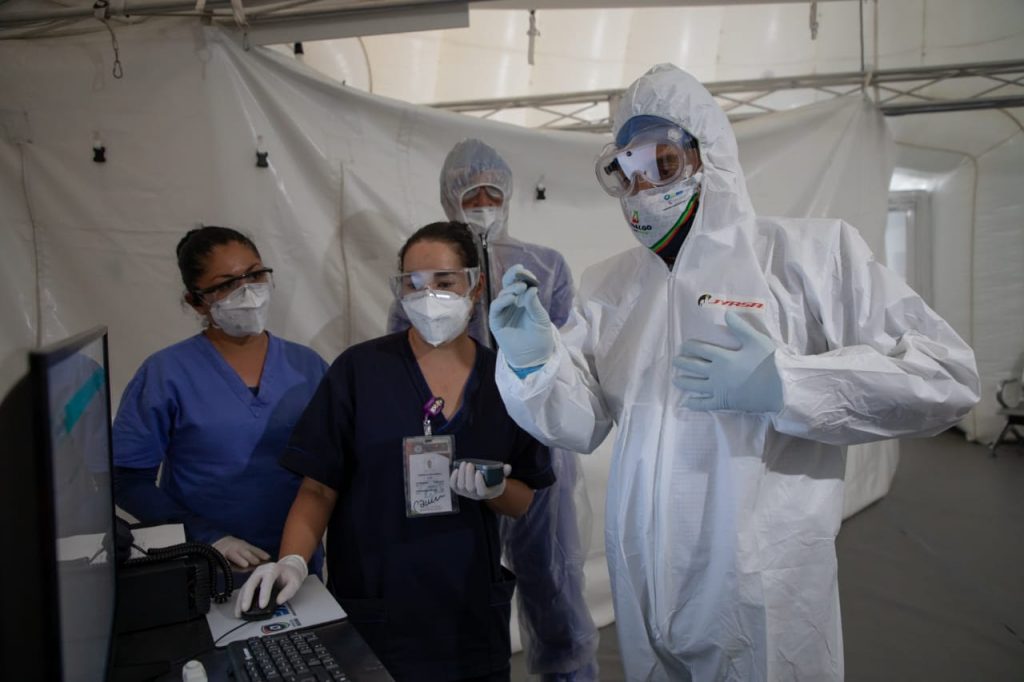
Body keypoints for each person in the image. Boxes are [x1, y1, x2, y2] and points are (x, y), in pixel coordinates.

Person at [488, 64, 981, 681]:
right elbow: (581, 421)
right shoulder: (611, 287)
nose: (642, 186)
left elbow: (946, 375)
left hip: (760, 594)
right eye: (627, 171)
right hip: (643, 587)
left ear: (707, 156)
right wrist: (535, 361)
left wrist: (789, 384)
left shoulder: (806, 257)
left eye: (662, 163)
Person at [236, 221, 555, 682]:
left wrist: (496, 488)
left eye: (444, 282)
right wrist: (292, 561)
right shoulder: (359, 372)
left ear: (476, 285)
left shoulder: (507, 380)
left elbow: (525, 499)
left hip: (468, 615)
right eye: (414, 283)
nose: (429, 296)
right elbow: (318, 489)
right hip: (377, 610)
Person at [387, 139, 599, 681]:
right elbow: (406, 370)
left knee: (552, 580)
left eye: (492, 192)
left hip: (537, 443)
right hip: (455, 447)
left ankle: (568, 672)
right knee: (456, 579)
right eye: (470, 192)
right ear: (448, 197)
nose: (482, 202)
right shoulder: (425, 280)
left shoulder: (544, 266)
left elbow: (570, 356)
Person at [113, 226, 327, 574]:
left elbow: (338, 464)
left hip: (295, 561)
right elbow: (126, 480)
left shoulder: (307, 366)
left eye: (255, 274)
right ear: (196, 301)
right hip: (204, 564)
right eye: (227, 284)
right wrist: (207, 537)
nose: (248, 292)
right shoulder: (166, 374)